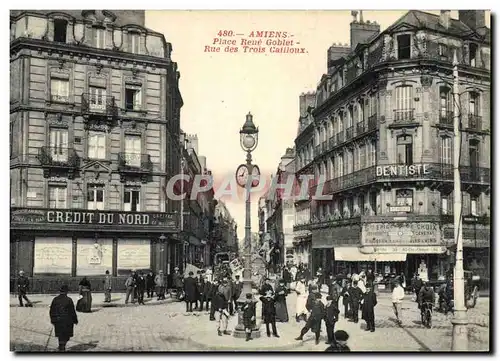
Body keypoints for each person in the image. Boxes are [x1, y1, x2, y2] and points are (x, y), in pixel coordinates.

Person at [49, 285, 78, 352]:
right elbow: (72, 311)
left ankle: (61, 346)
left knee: (60, 335)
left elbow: (51, 310)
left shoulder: (55, 299)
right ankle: (62, 347)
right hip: (67, 321)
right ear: (66, 292)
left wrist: (53, 319)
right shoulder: (69, 300)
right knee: (66, 336)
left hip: (58, 320)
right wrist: (75, 320)